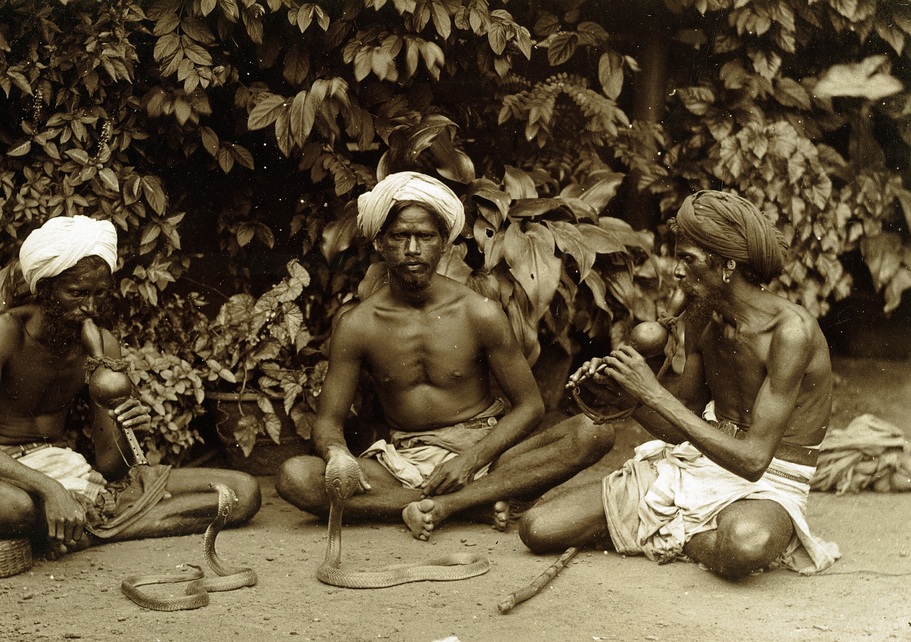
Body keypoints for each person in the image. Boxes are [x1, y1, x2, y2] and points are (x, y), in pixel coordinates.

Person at [275, 171, 613, 541]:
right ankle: (470, 504)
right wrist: (338, 455)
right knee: (296, 477)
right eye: (400, 236)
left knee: (592, 431)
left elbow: (530, 406)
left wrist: (470, 461)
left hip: (486, 455)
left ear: (444, 245)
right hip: (403, 463)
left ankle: (453, 501)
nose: (413, 250)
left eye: (425, 237)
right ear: (380, 244)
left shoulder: (478, 312)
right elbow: (328, 422)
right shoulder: (358, 324)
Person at [519, 190, 840, 577]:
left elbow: (755, 460)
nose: (676, 271)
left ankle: (668, 530)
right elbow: (679, 430)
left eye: (687, 259)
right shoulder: (703, 317)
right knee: (537, 529)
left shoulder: (792, 332)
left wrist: (652, 393)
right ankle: (688, 531)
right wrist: (625, 398)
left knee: (743, 545)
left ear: (727, 265)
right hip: (703, 461)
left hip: (771, 477)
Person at [0, 215, 261, 558]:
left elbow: (112, 466)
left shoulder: (102, 347)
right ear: (45, 287)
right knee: (6, 507)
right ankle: (97, 523)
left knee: (242, 491)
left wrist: (129, 429)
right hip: (0, 474)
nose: (90, 307)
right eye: (77, 293)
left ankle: (87, 532)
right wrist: (50, 489)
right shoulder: (4, 331)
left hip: (69, 470)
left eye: (99, 294)